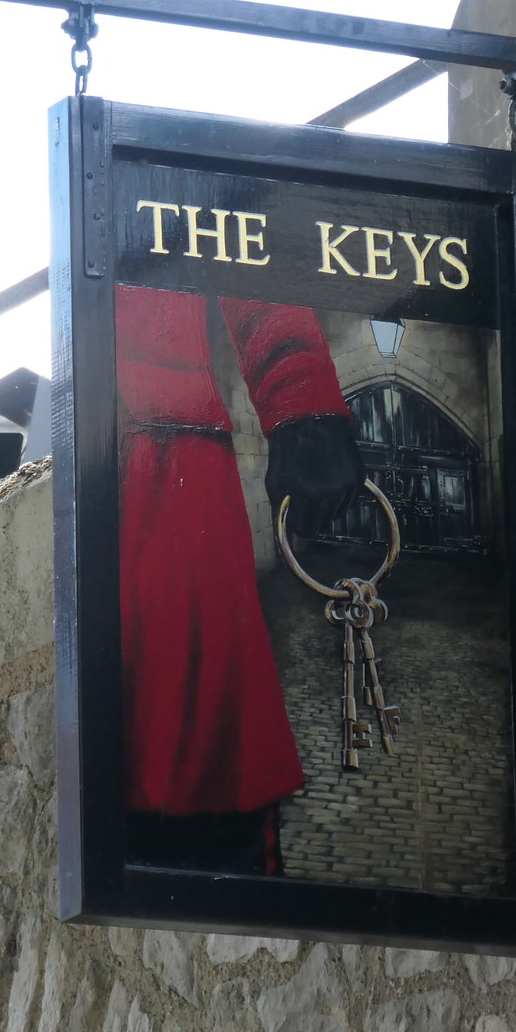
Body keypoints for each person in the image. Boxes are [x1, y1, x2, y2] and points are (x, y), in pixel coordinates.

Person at [115, 283, 363, 874]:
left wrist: (303, 404)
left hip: (167, 459)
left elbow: (246, 236)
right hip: (108, 451)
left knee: (198, 754)